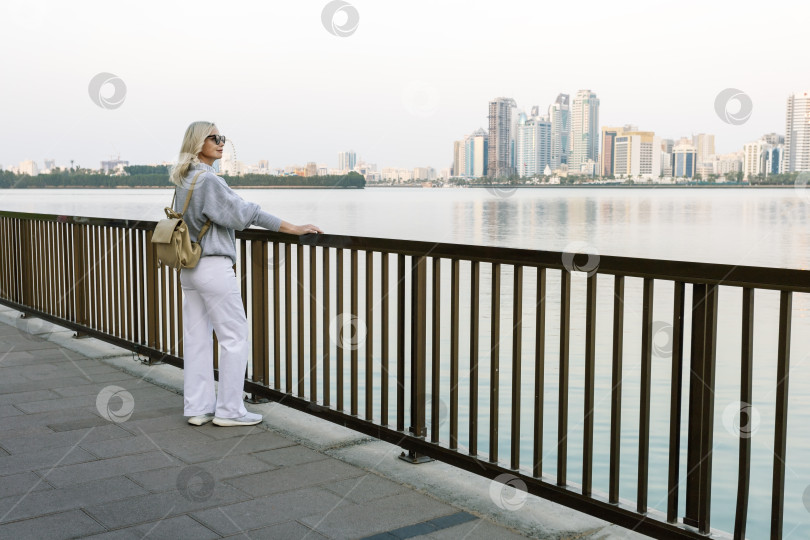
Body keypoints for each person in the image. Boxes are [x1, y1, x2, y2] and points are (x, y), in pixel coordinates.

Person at [169, 121, 322, 427]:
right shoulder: (208, 181)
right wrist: (293, 227)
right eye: (215, 138)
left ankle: (197, 408)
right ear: (199, 142)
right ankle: (229, 411)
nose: (222, 143)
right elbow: (245, 213)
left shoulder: (183, 178)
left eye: (223, 138)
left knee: (197, 340)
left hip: (189, 269)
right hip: (212, 266)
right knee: (235, 337)